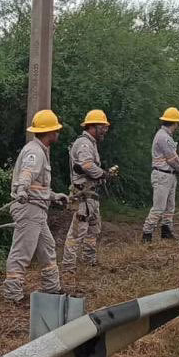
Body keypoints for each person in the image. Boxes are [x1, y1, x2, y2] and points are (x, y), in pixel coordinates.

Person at [3, 109, 68, 304]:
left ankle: (52, 288)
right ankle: (12, 295)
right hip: (29, 208)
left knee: (47, 248)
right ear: (49, 132)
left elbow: (37, 185)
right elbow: (26, 175)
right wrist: (21, 189)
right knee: (22, 251)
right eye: (55, 129)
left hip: (37, 208)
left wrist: (54, 195)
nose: (58, 132)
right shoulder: (34, 152)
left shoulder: (41, 150)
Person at [62, 109, 110, 275]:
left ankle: (89, 262)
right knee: (77, 231)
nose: (105, 130)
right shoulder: (84, 144)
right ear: (93, 127)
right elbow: (87, 166)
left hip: (91, 195)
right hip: (83, 195)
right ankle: (68, 268)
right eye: (102, 127)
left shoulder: (91, 143)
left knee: (92, 229)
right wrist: (103, 173)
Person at [142, 107, 179, 242]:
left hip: (169, 175)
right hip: (162, 175)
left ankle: (166, 230)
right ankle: (147, 233)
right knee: (159, 207)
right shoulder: (163, 137)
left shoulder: (165, 136)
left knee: (169, 206)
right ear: (174, 123)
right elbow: (171, 158)